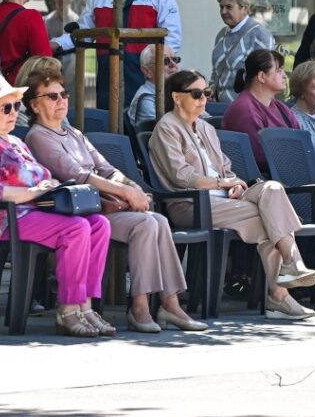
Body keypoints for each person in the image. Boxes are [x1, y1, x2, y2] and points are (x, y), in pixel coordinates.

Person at [23, 70, 208, 333]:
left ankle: (170, 303)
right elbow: (77, 174)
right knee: (146, 224)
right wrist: (125, 194)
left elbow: (107, 168)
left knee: (158, 221)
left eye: (64, 94)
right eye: (52, 96)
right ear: (34, 104)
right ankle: (140, 306)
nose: (61, 100)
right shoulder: (38, 136)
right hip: (79, 212)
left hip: (101, 205)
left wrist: (132, 186)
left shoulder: (73, 133)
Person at [150, 69, 315, 321]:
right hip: (190, 203)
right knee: (268, 217)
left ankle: (292, 267)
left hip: (225, 199)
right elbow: (181, 176)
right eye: (197, 94)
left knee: (273, 189)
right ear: (176, 97)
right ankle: (280, 293)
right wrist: (220, 182)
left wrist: (234, 185)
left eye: (206, 93)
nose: (203, 98)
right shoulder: (167, 128)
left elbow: (226, 166)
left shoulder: (207, 128)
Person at [0, 72, 112, 337]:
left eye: (16, 106)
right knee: (75, 229)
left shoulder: (16, 141)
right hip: (1, 219)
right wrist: (32, 192)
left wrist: (49, 188)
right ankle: (67, 310)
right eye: (6, 107)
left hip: (33, 211)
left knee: (99, 224)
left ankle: (85, 306)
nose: (13, 112)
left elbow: (40, 178)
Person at [55, 0, 182, 106]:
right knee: (110, 128)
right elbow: (83, 33)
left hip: (147, 81)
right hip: (108, 81)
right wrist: (57, 44)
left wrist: (157, 69)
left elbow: (171, 38)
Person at [221, 48, 300, 167]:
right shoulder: (244, 109)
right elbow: (261, 156)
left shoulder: (281, 108)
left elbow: (301, 144)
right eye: (278, 71)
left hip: (289, 172)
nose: (284, 76)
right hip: (265, 180)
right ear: (262, 76)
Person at [210, 0, 275, 102]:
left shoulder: (259, 35)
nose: (223, 11)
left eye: (229, 7)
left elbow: (267, 75)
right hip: (218, 107)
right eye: (221, 7)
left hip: (246, 108)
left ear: (244, 8)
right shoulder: (221, 35)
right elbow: (216, 71)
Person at [126, 44, 181, 132]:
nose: (173, 65)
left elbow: (206, 119)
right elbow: (168, 132)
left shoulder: (180, 91)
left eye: (175, 59)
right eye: (165, 61)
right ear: (147, 71)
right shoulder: (146, 99)